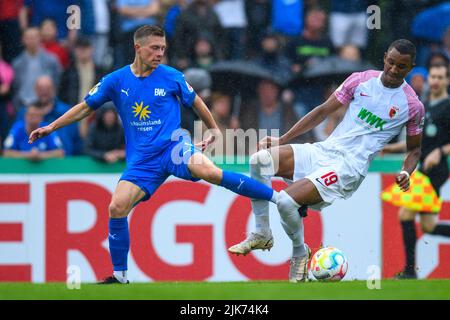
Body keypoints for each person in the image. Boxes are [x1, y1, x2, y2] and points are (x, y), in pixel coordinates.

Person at [28, 25, 278, 284]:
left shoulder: (171, 76)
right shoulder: (116, 80)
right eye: (155, 48)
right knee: (116, 207)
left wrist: (214, 129)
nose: (160, 53)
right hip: (142, 161)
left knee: (209, 171)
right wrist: (51, 126)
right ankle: (120, 275)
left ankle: (279, 198)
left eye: (163, 49)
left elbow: (196, 102)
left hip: (174, 148)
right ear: (138, 48)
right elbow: (84, 108)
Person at [228, 39, 425, 283]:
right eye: (391, 63)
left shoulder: (413, 106)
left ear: (411, 67)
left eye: (402, 66)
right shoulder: (360, 79)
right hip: (325, 150)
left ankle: (300, 252)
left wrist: (406, 172)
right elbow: (322, 111)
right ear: (385, 57)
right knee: (260, 160)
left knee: (287, 202)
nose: (394, 70)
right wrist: (284, 139)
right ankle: (262, 232)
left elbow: (415, 150)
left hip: (348, 168)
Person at [383, 63, 450, 279]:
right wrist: (390, 147)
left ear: (447, 80)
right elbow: (417, 142)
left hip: (436, 170)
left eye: (440, 77)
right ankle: (410, 271)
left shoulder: (448, 106)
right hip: (422, 170)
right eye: (433, 76)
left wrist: (440, 151)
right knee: (429, 226)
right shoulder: (426, 105)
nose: (436, 81)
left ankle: (410, 271)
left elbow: (438, 145)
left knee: (405, 213)